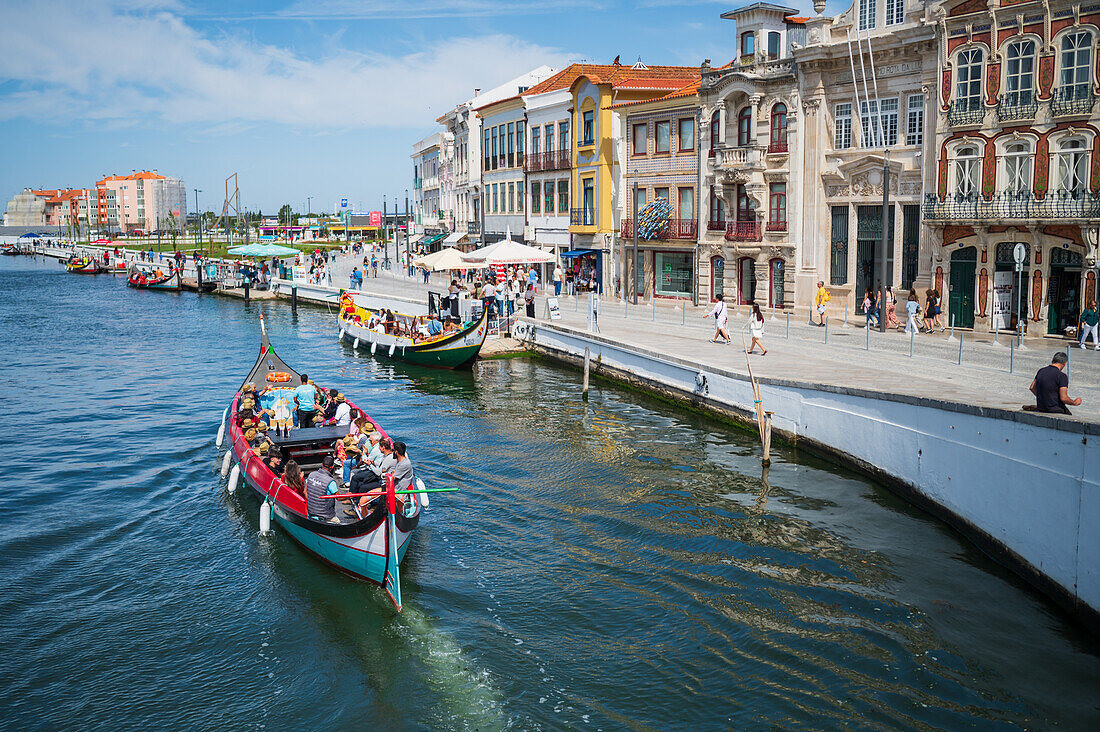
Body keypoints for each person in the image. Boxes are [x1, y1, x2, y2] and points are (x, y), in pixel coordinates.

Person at [305, 456, 341, 523]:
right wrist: (348, 495)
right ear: (332, 467)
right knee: (337, 522)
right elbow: (338, 498)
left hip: (311, 511)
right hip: (325, 515)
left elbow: (305, 492)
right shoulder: (330, 481)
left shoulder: (311, 475)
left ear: (321, 464)